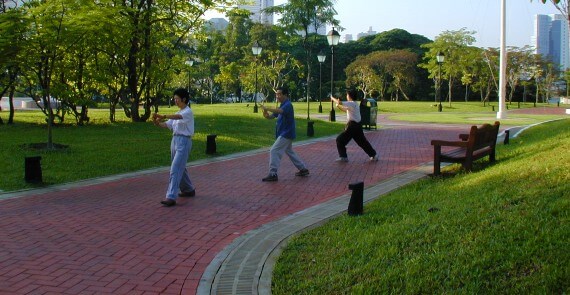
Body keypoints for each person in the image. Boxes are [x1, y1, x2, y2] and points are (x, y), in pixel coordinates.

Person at [152, 88, 196, 207]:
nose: (175, 101)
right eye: (174, 99)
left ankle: (171, 196)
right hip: (175, 140)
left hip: (184, 141)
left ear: (184, 99)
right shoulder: (178, 112)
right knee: (180, 167)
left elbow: (177, 117)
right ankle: (188, 189)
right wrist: (158, 123)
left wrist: (163, 115)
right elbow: (167, 124)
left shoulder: (187, 112)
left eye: (177, 99)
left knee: (175, 168)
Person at [260, 86, 309, 182]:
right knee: (290, 152)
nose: (277, 96)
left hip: (286, 133)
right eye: (276, 94)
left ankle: (273, 173)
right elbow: (269, 117)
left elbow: (280, 111)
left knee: (273, 150)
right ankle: (303, 169)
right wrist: (265, 112)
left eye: (279, 94)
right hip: (284, 133)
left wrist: (268, 108)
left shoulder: (288, 105)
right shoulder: (282, 105)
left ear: (285, 95)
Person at [330, 89, 379, 162]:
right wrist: (338, 106)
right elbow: (345, 109)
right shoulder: (354, 104)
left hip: (352, 126)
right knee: (362, 142)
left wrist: (332, 98)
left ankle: (343, 157)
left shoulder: (352, 103)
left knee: (339, 140)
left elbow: (339, 102)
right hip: (357, 126)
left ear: (349, 96)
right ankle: (373, 155)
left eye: (347, 95)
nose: (346, 96)